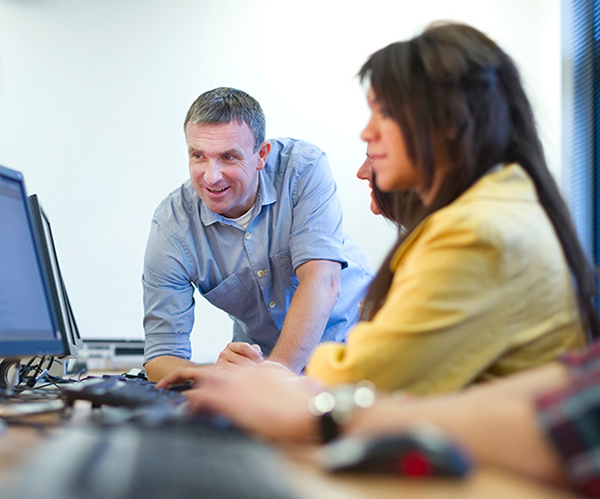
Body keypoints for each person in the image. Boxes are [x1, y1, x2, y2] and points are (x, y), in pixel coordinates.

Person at [161, 21, 598, 397]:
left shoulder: (474, 231)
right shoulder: (505, 202)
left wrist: (268, 382)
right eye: (198, 155)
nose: (366, 132)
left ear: (447, 124)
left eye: (383, 113)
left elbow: (368, 377)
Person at [159, 341, 600, 499]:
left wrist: (319, 410)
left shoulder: (475, 227)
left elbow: (565, 428)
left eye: (385, 126)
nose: (368, 134)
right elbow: (569, 379)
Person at [142, 87, 374, 382]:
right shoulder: (172, 227)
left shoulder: (302, 170)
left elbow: (322, 280)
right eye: (198, 155)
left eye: (228, 157)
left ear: (261, 154)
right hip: (267, 368)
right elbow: (161, 356)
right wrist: (222, 376)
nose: (211, 176)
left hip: (359, 351)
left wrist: (272, 381)